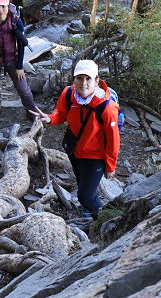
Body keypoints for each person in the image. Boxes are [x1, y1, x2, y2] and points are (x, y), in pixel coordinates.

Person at [31, 60, 120, 219]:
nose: (83, 83)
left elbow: (113, 139)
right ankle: (89, 210)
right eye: (79, 78)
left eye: (88, 79)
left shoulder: (107, 107)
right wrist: (50, 118)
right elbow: (61, 113)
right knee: (82, 181)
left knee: (85, 196)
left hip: (96, 155)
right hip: (75, 149)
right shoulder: (68, 94)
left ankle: (108, 222)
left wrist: (110, 165)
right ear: (73, 79)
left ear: (97, 81)